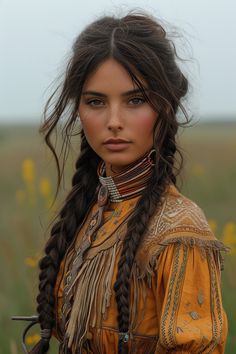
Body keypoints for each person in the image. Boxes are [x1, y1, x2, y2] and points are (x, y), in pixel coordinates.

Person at [19, 11, 229, 354]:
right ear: (79, 110)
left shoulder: (180, 232)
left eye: (135, 100)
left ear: (166, 107)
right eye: (95, 102)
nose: (113, 121)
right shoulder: (87, 214)